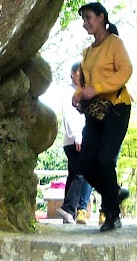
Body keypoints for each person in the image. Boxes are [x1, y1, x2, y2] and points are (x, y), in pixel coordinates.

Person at [72, 1, 132, 232]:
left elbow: (126, 71)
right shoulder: (87, 52)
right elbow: (84, 83)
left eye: (88, 17)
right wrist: (78, 95)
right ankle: (114, 192)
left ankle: (112, 214)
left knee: (105, 161)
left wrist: (97, 88)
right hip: (94, 113)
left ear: (101, 17)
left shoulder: (115, 43)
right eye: (83, 19)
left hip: (117, 108)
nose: (85, 23)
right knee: (86, 164)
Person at [58, 63, 92, 224]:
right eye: (79, 72)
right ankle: (68, 208)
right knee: (80, 173)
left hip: (78, 138)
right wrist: (77, 136)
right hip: (74, 140)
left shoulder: (83, 92)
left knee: (73, 174)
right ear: (72, 74)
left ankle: (67, 214)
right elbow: (68, 117)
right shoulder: (69, 92)